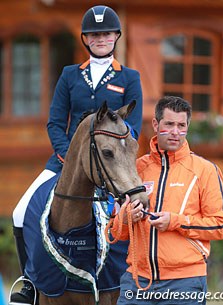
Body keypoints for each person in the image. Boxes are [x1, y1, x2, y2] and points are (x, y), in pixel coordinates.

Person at [10, 5, 143, 305]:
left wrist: (115, 160)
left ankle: (129, 283)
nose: (100, 39)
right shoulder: (71, 75)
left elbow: (132, 128)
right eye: (94, 35)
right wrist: (67, 155)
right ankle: (30, 282)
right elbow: (56, 122)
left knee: (134, 214)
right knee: (20, 212)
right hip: (66, 163)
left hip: (111, 166)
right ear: (85, 39)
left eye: (106, 33)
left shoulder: (129, 77)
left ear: (116, 36)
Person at [111, 96, 223, 305]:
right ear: (156, 124)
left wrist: (175, 221)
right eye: (169, 124)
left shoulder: (205, 170)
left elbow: (220, 225)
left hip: (185, 282)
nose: (176, 132)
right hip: (137, 281)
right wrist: (127, 216)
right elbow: (115, 232)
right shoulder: (136, 169)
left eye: (181, 125)